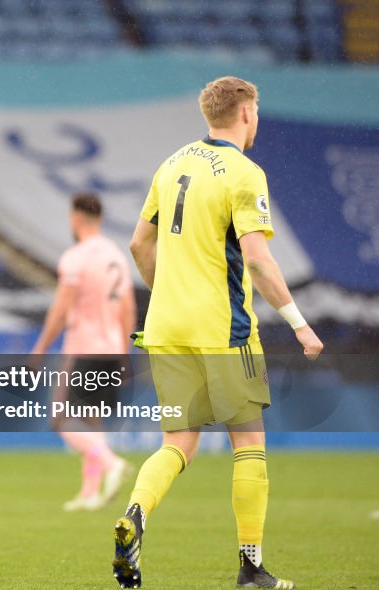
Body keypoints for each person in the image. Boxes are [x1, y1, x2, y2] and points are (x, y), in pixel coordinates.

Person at [111, 76, 323, 589]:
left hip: (166, 328)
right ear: (246, 112)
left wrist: (167, 293)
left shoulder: (172, 162)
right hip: (224, 331)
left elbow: (140, 244)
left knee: (177, 443)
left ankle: (135, 515)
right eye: (258, 110)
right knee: (248, 444)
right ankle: (251, 568)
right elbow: (259, 261)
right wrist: (300, 324)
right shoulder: (246, 174)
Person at [30, 193, 136, 512]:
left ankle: (111, 463)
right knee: (91, 421)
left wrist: (40, 349)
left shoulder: (76, 258)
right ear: (99, 218)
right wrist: (123, 351)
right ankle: (90, 492)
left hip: (84, 347)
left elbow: (61, 309)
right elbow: (128, 308)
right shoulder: (117, 256)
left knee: (60, 418)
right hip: (112, 348)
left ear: (75, 217)